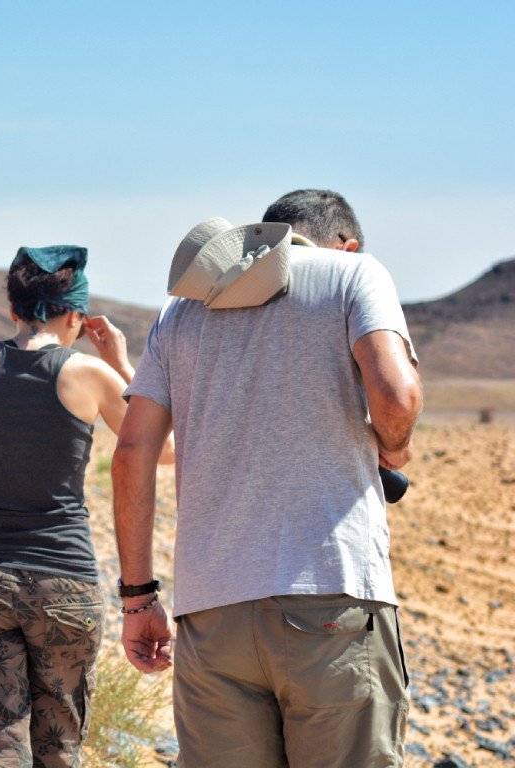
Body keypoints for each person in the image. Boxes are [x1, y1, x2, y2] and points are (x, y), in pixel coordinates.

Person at [113, 189, 423, 767]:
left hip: (211, 614)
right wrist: (394, 448)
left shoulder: (181, 310)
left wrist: (137, 601)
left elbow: (132, 452)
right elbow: (395, 395)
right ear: (346, 244)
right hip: (331, 596)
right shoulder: (355, 274)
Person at [0, 245, 173, 768]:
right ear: (75, 313)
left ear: (14, 309)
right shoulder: (90, 375)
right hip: (65, 587)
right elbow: (162, 450)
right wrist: (119, 361)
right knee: (59, 753)